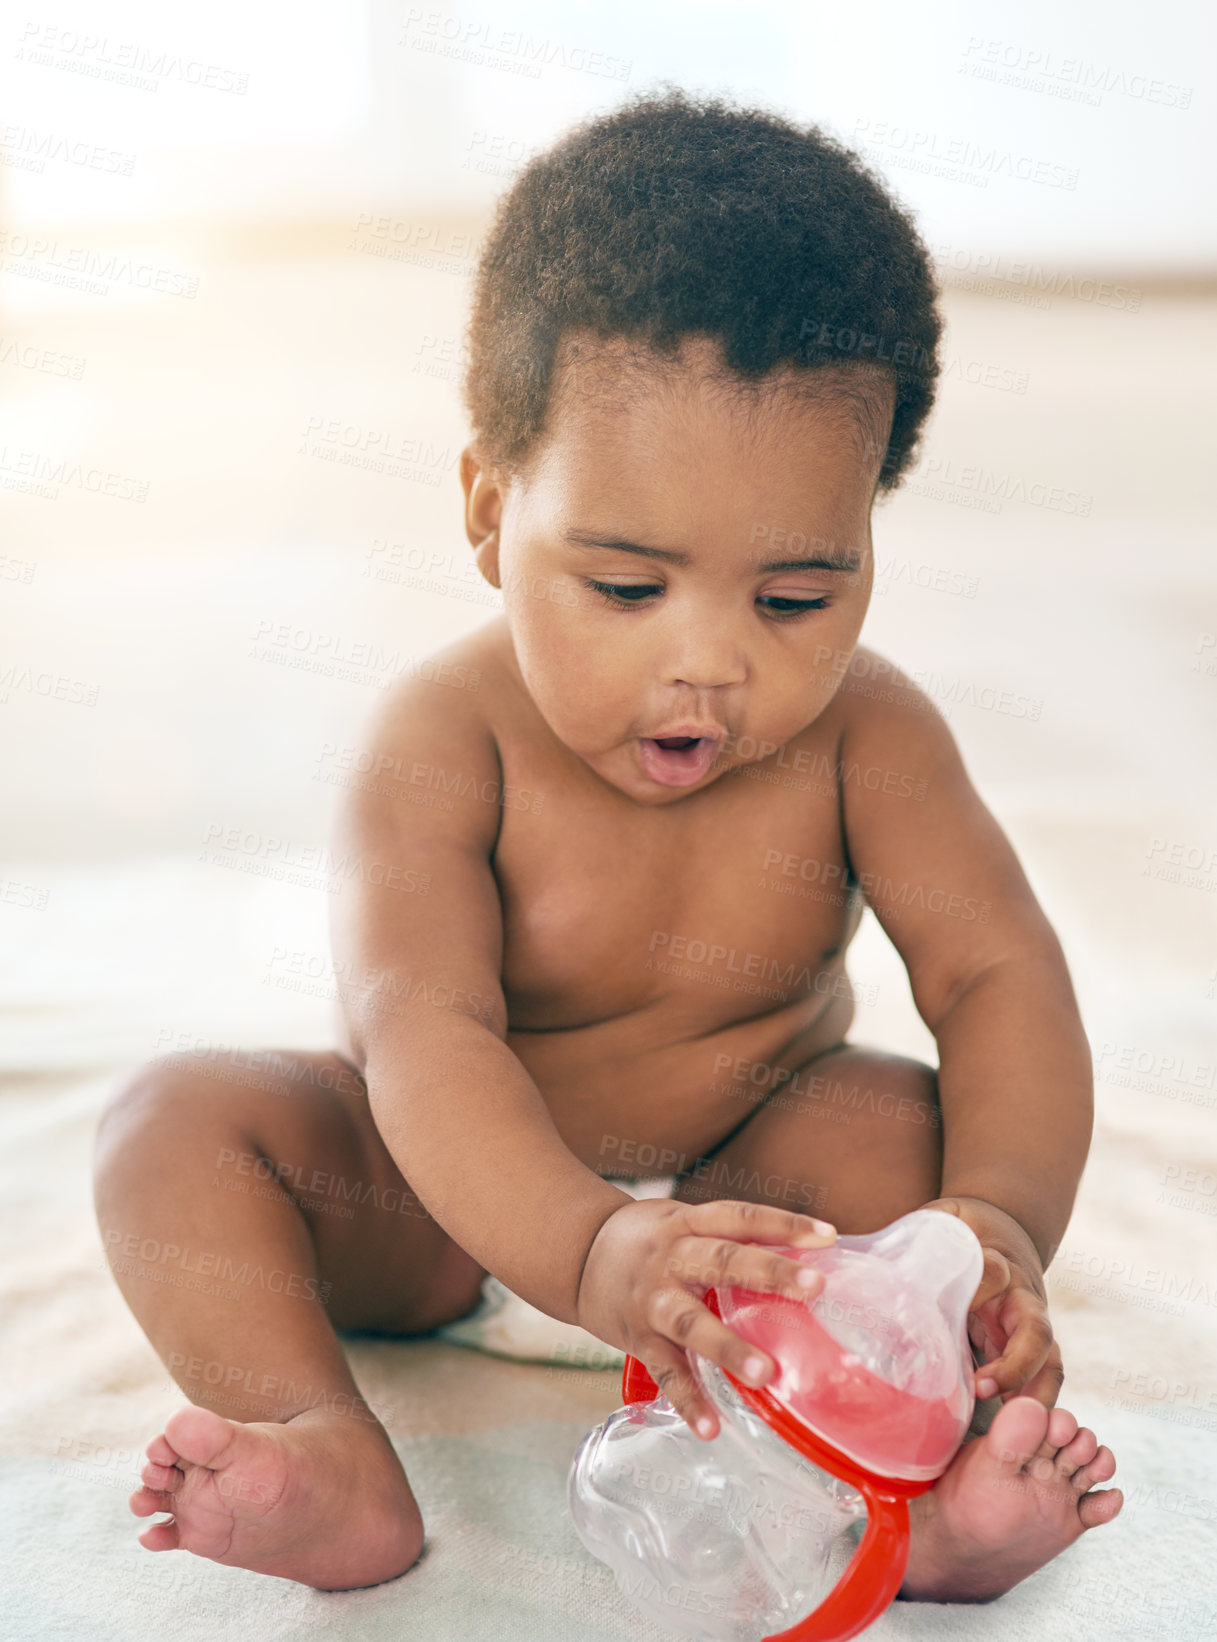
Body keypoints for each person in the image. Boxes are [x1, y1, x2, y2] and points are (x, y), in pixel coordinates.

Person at [93, 83, 1122, 1601]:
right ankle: (321, 1443)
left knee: (910, 1139)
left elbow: (994, 971)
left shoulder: (871, 735)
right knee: (172, 1128)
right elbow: (419, 1028)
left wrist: (992, 1229)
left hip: (752, 1216)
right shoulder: (442, 741)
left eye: (794, 600)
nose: (707, 664)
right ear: (488, 509)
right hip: (442, 1217)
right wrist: (580, 1250)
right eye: (627, 588)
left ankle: (918, 1493)